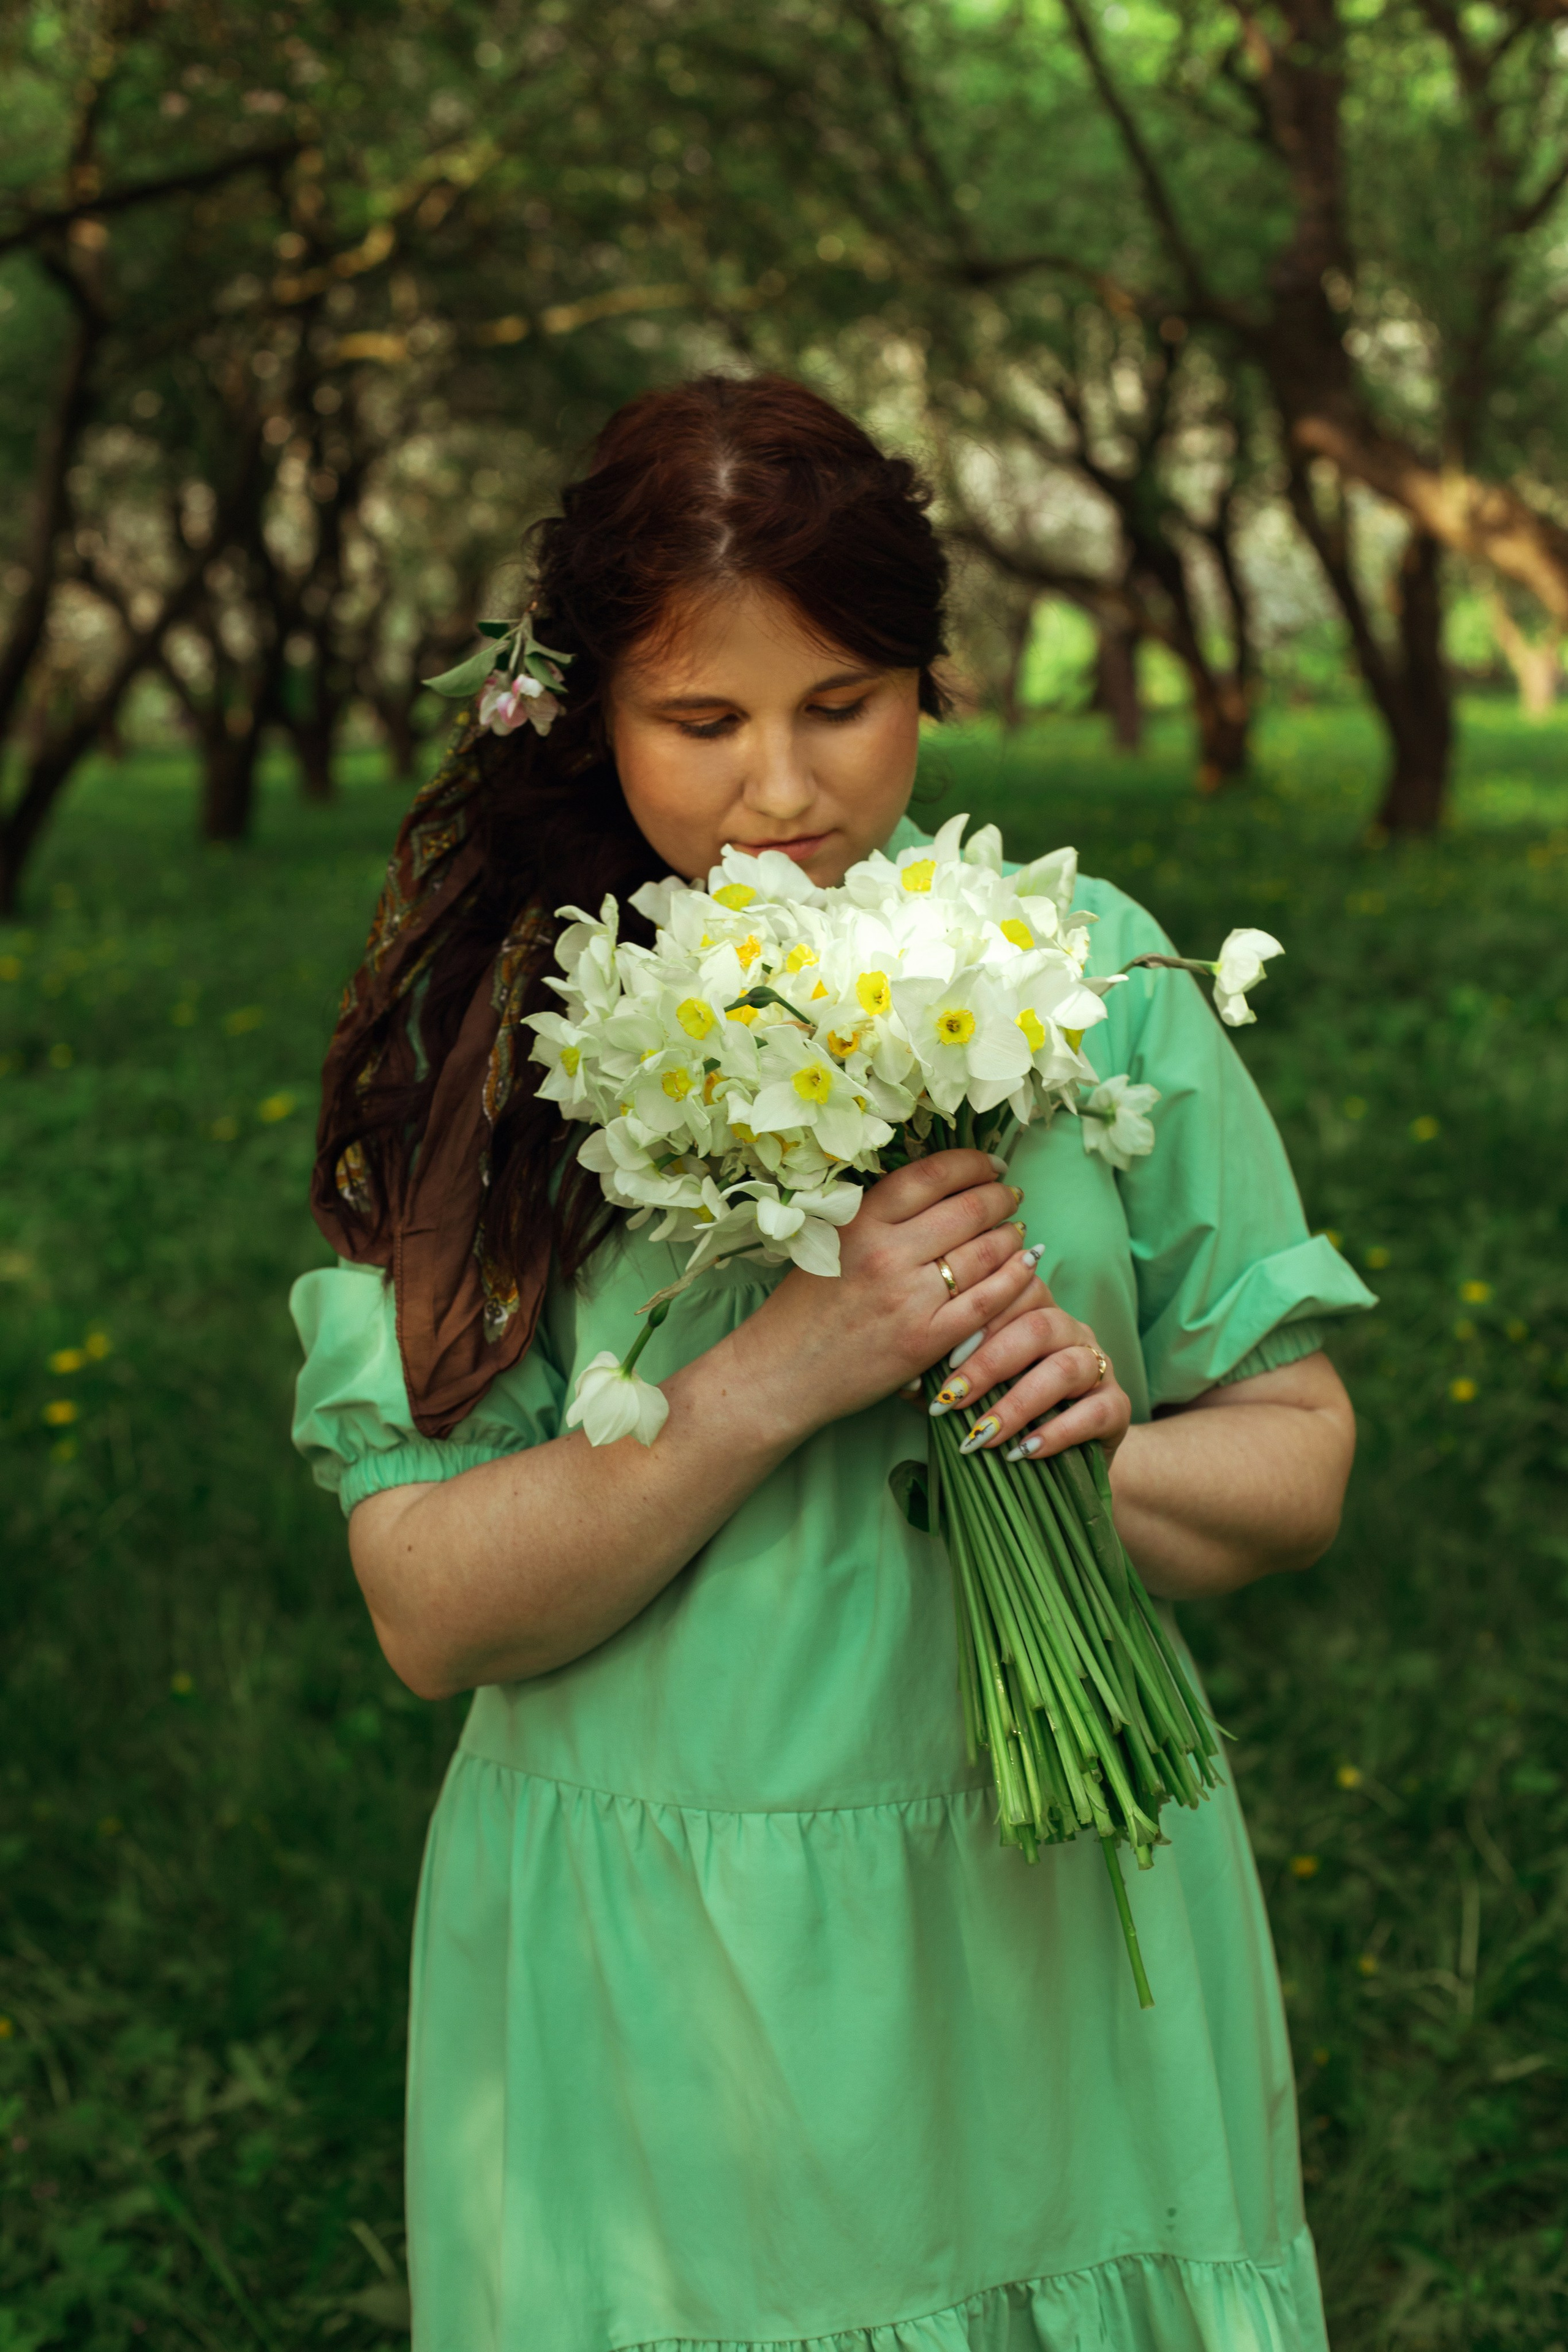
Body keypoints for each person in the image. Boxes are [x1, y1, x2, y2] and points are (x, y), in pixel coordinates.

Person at [290, 373, 1374, 2352]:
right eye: (699, 724)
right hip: (673, 1958)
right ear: (592, 709)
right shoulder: (514, 1039)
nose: (778, 791)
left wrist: (1079, 1451)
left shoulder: (1096, 982)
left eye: (842, 704)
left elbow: (1297, 1464)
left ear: (931, 684)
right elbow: (428, 1608)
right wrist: (796, 1364)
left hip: (1062, 1925)